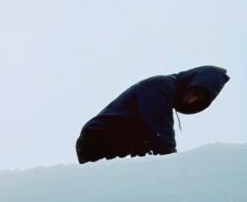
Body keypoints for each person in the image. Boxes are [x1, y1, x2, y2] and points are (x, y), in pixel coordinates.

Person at [76, 65, 229, 164]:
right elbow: (159, 133)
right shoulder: (161, 86)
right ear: (191, 82)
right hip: (98, 140)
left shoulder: (165, 94)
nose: (191, 100)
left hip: (110, 145)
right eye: (195, 92)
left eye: (198, 99)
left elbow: (146, 140)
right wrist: (173, 165)